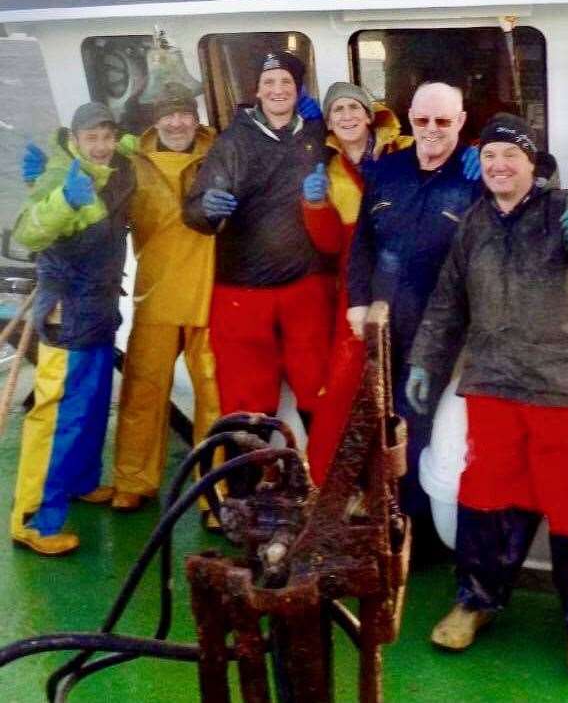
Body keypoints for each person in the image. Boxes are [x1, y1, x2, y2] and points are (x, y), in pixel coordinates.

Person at [407, 113, 568, 678]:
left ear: (533, 165)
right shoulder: (474, 222)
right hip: (493, 380)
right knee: (487, 497)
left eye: (511, 157)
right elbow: (447, 302)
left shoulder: (565, 207)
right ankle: (477, 602)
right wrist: (425, 362)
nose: (499, 166)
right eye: (489, 158)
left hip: (563, 381)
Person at [346, 82, 482, 542]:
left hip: (442, 329)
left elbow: (530, 176)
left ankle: (416, 531)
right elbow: (362, 241)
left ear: (461, 122)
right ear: (409, 118)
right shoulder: (387, 171)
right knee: (380, 416)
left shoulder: (476, 175)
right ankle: (384, 511)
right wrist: (357, 302)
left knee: (420, 423)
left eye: (444, 121)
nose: (432, 130)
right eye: (422, 120)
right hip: (384, 322)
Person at [10, 102, 135, 556]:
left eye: (107, 137)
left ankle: (82, 481)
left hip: (99, 312)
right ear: (74, 140)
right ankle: (33, 520)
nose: (100, 147)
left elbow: (142, 142)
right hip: (67, 315)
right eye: (91, 139)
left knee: (91, 405)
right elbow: (26, 234)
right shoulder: (60, 175)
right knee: (56, 416)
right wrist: (63, 199)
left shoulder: (117, 164)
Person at [183, 51, 332, 422]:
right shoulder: (232, 142)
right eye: (270, 82)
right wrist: (206, 208)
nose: (278, 89)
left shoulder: (315, 132)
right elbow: (194, 212)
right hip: (243, 292)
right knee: (247, 398)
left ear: (298, 90)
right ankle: (248, 477)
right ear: (257, 91)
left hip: (304, 288)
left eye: (286, 82)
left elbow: (367, 138)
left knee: (318, 388)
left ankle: (325, 475)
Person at [111, 85, 221, 520]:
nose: (177, 123)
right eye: (167, 115)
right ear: (154, 121)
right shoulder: (130, 166)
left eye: (184, 114)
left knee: (213, 395)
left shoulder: (223, 153)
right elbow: (99, 217)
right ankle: (132, 480)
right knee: (142, 389)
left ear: (196, 118)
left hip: (210, 292)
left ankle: (217, 493)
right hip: (155, 295)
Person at [300, 82, 413, 484]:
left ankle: (403, 481)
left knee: (406, 380)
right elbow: (329, 243)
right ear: (329, 122)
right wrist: (314, 205)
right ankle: (327, 481)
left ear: (369, 115)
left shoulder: (407, 150)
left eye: (353, 108)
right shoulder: (327, 171)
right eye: (337, 111)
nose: (347, 116)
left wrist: (468, 157)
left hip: (410, 278)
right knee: (345, 380)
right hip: (357, 286)